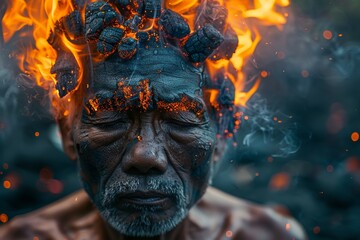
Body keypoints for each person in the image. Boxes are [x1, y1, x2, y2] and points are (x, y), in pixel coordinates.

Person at [0, 0, 307, 239]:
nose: (146, 155)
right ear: (68, 131)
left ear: (222, 135)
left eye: (182, 122)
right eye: (110, 120)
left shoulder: (267, 236)